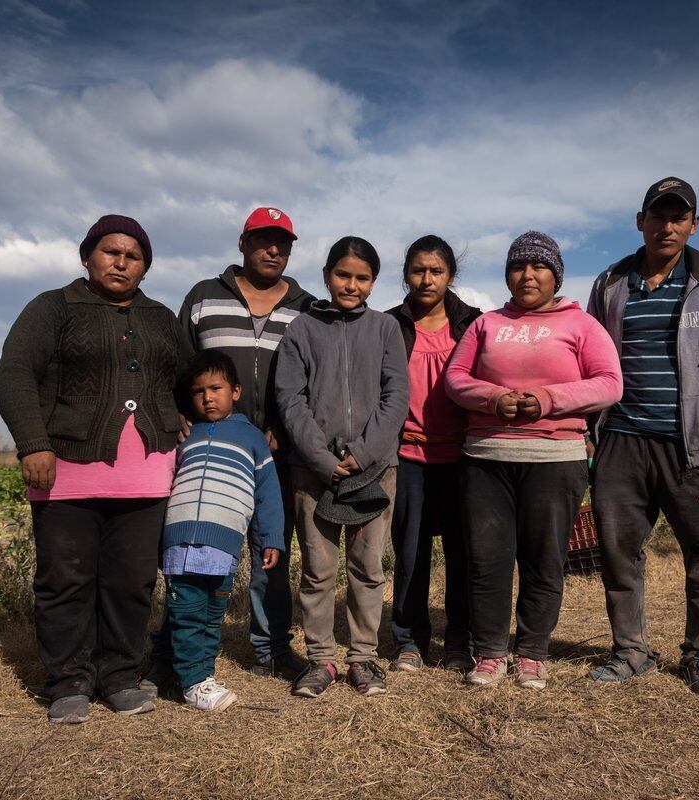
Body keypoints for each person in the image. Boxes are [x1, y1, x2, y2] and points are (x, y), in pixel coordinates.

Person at [0, 214, 193, 723]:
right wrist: (33, 443)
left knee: (131, 580)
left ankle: (120, 673)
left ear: (145, 267)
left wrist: (182, 415)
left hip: (147, 473)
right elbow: (14, 374)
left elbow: (185, 379)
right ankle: (69, 680)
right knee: (66, 579)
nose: (121, 261)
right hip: (65, 470)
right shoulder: (54, 307)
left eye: (134, 255)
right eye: (111, 251)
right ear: (88, 256)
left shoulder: (161, 318)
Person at [585, 177, 699, 696]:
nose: (667, 226)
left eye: (679, 217)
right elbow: (589, 360)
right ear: (641, 221)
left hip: (691, 446)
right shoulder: (610, 282)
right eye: (658, 216)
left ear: (693, 225)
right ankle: (632, 651)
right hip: (622, 440)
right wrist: (592, 431)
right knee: (618, 551)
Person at [146, 207, 314, 692]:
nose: (273, 249)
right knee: (190, 555)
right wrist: (178, 415)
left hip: (275, 453)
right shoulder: (203, 298)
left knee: (271, 552)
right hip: (209, 451)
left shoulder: (306, 307)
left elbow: (311, 377)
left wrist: (286, 426)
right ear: (243, 243)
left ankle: (271, 649)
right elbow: (176, 366)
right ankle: (168, 650)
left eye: (282, 242)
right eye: (263, 239)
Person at [445, 231, 622, 690]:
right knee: (487, 559)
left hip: (555, 457)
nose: (527, 275)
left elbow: (608, 383)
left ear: (555, 275)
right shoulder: (486, 324)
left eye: (538, 267)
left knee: (544, 559)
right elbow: (456, 379)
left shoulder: (581, 325)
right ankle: (488, 653)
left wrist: (546, 399)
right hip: (486, 457)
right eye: (518, 267)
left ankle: (531, 652)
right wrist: (492, 399)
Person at [275, 236, 409, 698]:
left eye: (362, 277)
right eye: (343, 275)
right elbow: (290, 399)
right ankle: (321, 660)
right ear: (327, 274)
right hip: (314, 471)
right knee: (316, 568)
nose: (351, 285)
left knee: (368, 566)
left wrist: (365, 452)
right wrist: (322, 457)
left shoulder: (386, 328)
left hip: (374, 468)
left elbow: (396, 398)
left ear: (373, 281)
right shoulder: (301, 330)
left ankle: (363, 658)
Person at [159, 350, 285, 712]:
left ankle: (195, 673)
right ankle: (194, 682)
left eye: (216, 388)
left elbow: (269, 492)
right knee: (187, 612)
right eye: (198, 391)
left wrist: (273, 537)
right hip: (182, 540)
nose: (207, 397)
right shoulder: (185, 435)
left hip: (225, 545)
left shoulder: (253, 439)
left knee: (212, 614)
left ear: (236, 391)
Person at [385, 235, 481, 673]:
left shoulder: (473, 325)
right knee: (410, 554)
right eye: (418, 270)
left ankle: (460, 641)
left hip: (463, 457)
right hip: (408, 456)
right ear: (406, 273)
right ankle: (409, 640)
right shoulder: (389, 325)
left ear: (451, 275)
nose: (427, 279)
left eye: (436, 271)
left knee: (464, 553)